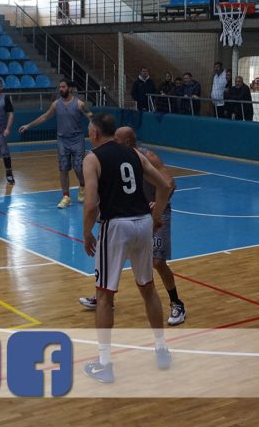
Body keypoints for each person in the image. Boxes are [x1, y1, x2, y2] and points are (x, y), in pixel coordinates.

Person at [81, 113, 175, 383]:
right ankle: (161, 349)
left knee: (104, 295)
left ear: (95, 133)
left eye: (89, 130)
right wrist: (155, 217)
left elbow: (90, 205)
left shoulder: (92, 158)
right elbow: (165, 185)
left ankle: (105, 364)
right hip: (142, 223)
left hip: (116, 226)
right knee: (147, 287)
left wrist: (87, 233)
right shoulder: (135, 154)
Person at [79, 126, 186, 326]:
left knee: (157, 262)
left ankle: (176, 303)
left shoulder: (147, 156)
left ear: (127, 141)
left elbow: (169, 183)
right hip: (136, 216)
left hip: (156, 212)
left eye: (116, 139)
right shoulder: (120, 157)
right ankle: (105, 298)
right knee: (110, 257)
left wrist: (156, 205)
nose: (113, 143)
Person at [19, 79, 93, 208]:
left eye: (63, 87)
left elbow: (91, 116)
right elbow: (44, 117)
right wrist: (28, 125)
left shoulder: (79, 104)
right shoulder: (56, 104)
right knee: (63, 169)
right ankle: (66, 196)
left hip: (77, 139)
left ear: (70, 88)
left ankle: (83, 185)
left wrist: (92, 128)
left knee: (78, 167)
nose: (61, 89)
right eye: (59, 87)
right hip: (62, 140)